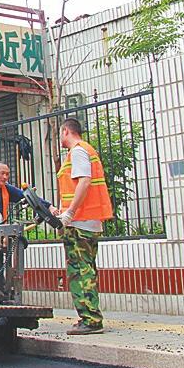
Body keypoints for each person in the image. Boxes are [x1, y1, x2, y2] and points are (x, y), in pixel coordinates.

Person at [52, 117, 113, 335]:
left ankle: (91, 320)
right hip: (85, 221)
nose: (60, 138)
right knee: (85, 268)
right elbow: (75, 186)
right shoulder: (84, 150)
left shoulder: (77, 151)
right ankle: (89, 316)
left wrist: (69, 213)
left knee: (81, 271)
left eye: (60, 133)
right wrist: (62, 210)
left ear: (66, 131)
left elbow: (84, 181)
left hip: (80, 223)